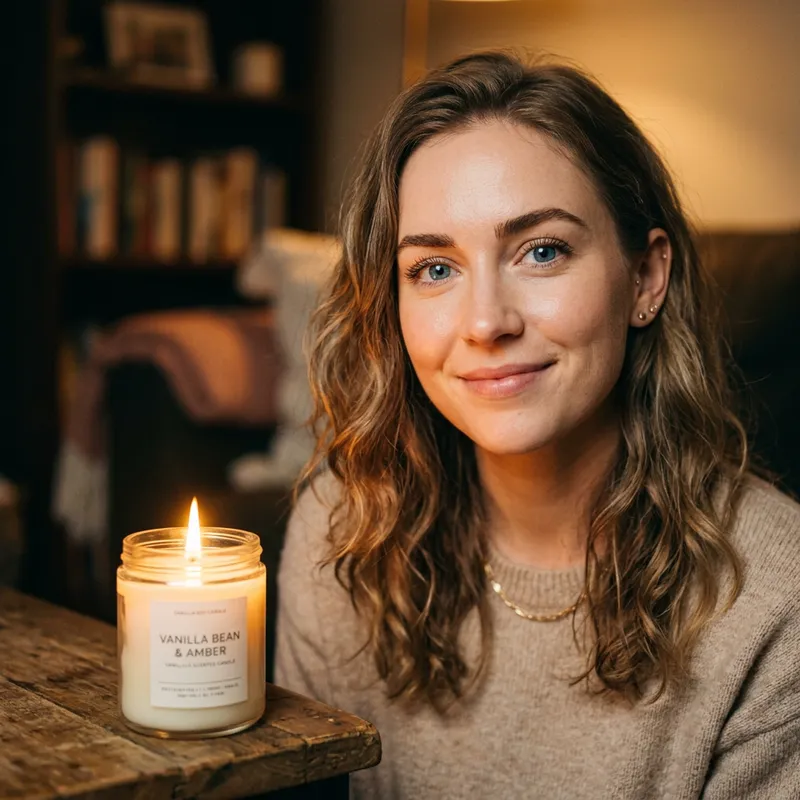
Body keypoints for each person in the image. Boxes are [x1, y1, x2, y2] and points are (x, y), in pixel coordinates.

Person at [274, 51, 800, 799]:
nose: (487, 321)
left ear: (646, 279)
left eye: (542, 251)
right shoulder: (343, 527)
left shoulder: (778, 599)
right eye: (434, 269)